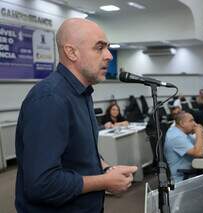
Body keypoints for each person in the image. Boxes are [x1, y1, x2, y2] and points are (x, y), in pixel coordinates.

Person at [15, 18, 137, 212]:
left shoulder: (82, 92)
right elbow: (41, 184)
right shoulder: (50, 99)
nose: (109, 56)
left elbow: (80, 152)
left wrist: (106, 168)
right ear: (71, 52)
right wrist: (104, 181)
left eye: (108, 47)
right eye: (99, 48)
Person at [164, 111, 203, 182]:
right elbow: (199, 153)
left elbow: (200, 147)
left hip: (191, 171)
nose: (195, 124)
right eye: (191, 121)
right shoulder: (176, 136)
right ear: (182, 123)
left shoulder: (184, 133)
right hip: (182, 177)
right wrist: (198, 132)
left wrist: (201, 132)